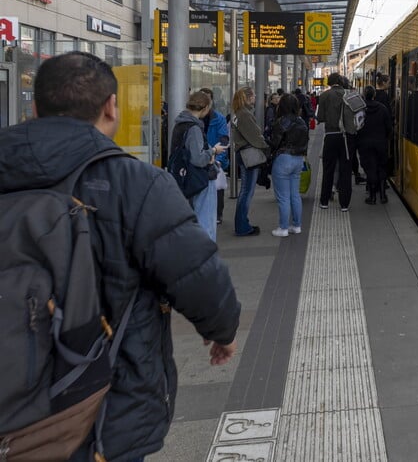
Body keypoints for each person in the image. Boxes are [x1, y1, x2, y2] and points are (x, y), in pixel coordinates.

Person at [0, 51, 240, 461]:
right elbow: (199, 276)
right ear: (111, 108)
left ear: (35, 109)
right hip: (101, 406)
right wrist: (221, 331)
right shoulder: (136, 183)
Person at [173, 91, 227, 241]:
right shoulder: (194, 128)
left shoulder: (179, 124)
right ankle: (207, 258)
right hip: (200, 179)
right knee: (206, 222)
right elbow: (198, 159)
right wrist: (213, 151)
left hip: (186, 178)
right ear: (205, 108)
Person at [268, 94, 309, 237]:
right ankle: (296, 226)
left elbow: (274, 143)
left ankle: (283, 228)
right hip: (298, 160)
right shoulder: (302, 122)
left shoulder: (281, 122)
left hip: (283, 160)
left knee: (283, 197)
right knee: (295, 195)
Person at [231, 87, 269, 236]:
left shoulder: (238, 113)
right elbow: (254, 136)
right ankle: (242, 226)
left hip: (243, 153)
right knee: (247, 191)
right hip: (249, 154)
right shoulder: (245, 115)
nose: (255, 98)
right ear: (247, 98)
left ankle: (241, 224)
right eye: (253, 96)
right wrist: (266, 147)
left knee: (245, 191)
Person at [316, 72, 353, 211]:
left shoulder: (324, 95)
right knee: (345, 170)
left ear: (329, 83)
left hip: (330, 135)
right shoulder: (348, 95)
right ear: (340, 81)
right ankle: (344, 204)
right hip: (346, 137)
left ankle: (324, 201)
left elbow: (320, 117)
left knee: (328, 169)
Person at [356, 86, 393, 205]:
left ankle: (372, 197)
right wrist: (385, 138)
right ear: (374, 95)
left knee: (369, 169)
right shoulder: (383, 109)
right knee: (381, 168)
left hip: (365, 145)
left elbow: (357, 127)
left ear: (364, 96)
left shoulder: (360, 110)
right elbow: (389, 127)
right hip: (380, 144)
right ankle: (382, 195)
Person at [200, 87, 230, 225]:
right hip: (200, 158)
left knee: (217, 188)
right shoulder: (195, 119)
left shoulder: (219, 118)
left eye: (208, 99)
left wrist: (218, 160)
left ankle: (218, 214)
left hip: (215, 158)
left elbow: (224, 139)